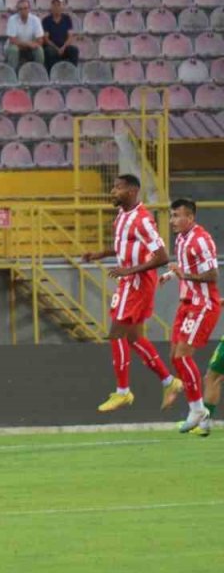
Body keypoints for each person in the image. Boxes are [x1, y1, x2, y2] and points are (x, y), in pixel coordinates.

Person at [82, 174, 180, 412]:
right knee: (134, 337)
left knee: (116, 333)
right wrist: (99, 254)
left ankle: (123, 392)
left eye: (118, 188)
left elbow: (163, 256)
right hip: (131, 280)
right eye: (113, 187)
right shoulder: (121, 216)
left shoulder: (143, 220)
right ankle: (170, 381)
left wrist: (129, 270)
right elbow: (121, 246)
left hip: (137, 281)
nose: (113, 192)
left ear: (132, 191)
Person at [161, 198, 220, 432]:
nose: (173, 221)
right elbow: (185, 268)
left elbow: (212, 274)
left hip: (202, 304)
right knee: (175, 356)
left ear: (191, 217)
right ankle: (196, 409)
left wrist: (184, 275)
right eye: (172, 216)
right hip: (186, 303)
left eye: (177, 216)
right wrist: (170, 276)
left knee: (184, 355)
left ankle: (197, 410)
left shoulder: (201, 240)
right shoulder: (182, 239)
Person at [4, 0, 45, 69]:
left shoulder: (35, 20)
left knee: (39, 50)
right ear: (17, 10)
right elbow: (12, 40)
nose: (23, 11)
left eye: (25, 8)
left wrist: (31, 45)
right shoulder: (12, 19)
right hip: (16, 46)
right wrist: (28, 44)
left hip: (29, 47)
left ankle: (39, 72)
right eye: (20, 9)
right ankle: (12, 74)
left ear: (29, 9)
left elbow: (40, 40)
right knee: (13, 50)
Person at [41, 0, 79, 71]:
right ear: (51, 7)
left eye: (58, 5)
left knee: (74, 50)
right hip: (52, 46)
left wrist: (63, 47)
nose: (56, 7)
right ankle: (51, 73)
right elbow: (46, 39)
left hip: (64, 46)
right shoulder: (46, 20)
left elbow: (70, 36)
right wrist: (56, 48)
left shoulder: (67, 19)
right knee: (49, 51)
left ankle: (72, 72)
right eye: (54, 5)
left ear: (62, 7)